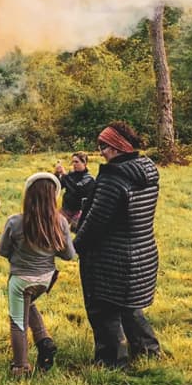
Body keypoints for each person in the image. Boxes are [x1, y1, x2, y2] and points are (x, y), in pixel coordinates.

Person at [75, 122, 162, 367]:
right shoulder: (146, 171)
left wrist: (75, 247)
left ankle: (111, 361)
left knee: (103, 309)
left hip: (111, 258)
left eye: (104, 146)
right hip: (142, 252)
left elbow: (95, 223)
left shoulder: (114, 179)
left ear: (117, 146)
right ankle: (148, 352)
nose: (100, 151)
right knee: (129, 307)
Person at [0, 173, 76, 376]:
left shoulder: (15, 222)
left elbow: (3, 250)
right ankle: (44, 341)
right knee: (29, 303)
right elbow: (68, 255)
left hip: (21, 280)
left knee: (17, 322)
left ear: (28, 195)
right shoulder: (61, 223)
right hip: (46, 279)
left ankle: (20, 366)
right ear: (54, 197)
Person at [53, 151, 95, 227]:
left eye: (76, 162)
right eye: (73, 162)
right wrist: (57, 174)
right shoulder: (70, 175)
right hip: (66, 209)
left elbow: (77, 190)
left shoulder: (89, 179)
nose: (74, 164)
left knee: (75, 229)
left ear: (84, 163)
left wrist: (65, 175)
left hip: (80, 212)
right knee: (54, 225)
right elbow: (58, 187)